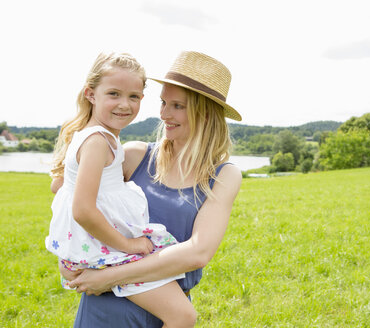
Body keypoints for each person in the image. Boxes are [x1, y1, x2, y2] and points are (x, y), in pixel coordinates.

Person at [65, 50, 243, 327]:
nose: (163, 114)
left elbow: (198, 252)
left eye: (177, 106)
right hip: (103, 308)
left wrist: (109, 277)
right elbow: (78, 202)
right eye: (163, 103)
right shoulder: (135, 156)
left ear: (206, 114)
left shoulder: (223, 176)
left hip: (163, 311)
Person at [46, 52, 197, 327]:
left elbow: (61, 186)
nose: (124, 105)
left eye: (134, 97)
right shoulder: (98, 142)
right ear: (91, 94)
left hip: (94, 246)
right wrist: (128, 244)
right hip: (105, 251)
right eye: (114, 94)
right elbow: (82, 210)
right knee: (183, 316)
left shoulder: (92, 135)